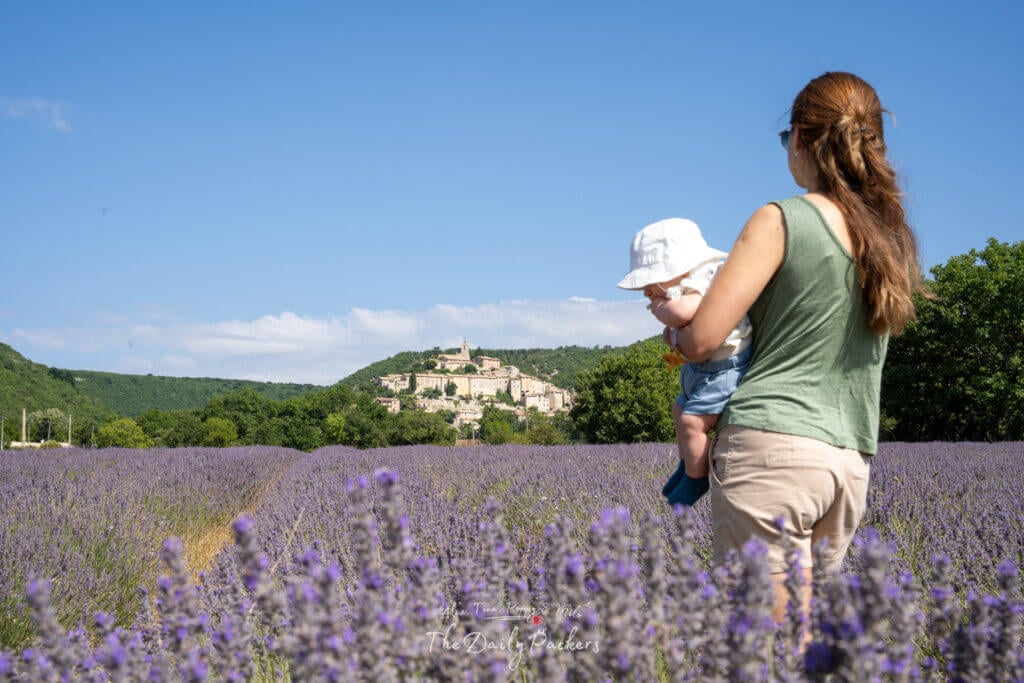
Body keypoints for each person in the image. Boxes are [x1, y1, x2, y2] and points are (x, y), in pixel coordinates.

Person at [669, 71, 927, 624]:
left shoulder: (781, 219)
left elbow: (704, 339)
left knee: (764, 643)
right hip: (847, 461)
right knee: (804, 645)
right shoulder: (889, 237)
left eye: (786, 138)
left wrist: (672, 327)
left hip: (771, 450)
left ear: (805, 140)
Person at [617, 217, 752, 507]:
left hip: (723, 371)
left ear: (674, 270)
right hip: (700, 370)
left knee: (692, 422)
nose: (648, 294)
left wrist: (660, 306)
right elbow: (675, 331)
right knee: (679, 412)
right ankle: (688, 463)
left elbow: (681, 314)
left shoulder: (703, 279)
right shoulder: (685, 284)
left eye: (651, 287)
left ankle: (696, 478)